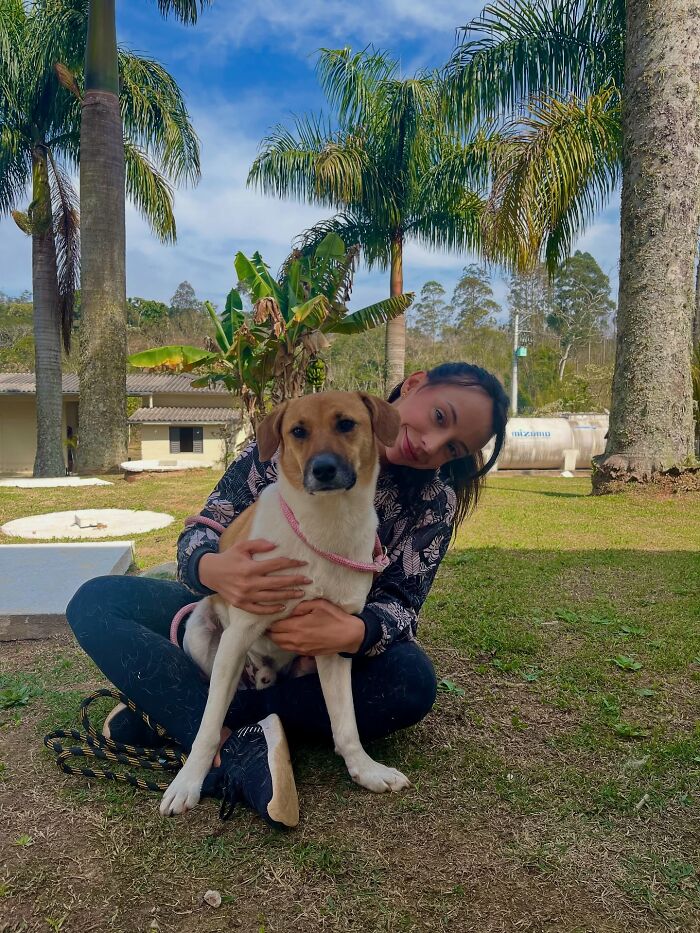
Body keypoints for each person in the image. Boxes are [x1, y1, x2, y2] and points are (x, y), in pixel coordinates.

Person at [66, 363, 509, 828]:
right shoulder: (281, 443)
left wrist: (356, 630)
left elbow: (403, 605)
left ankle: (186, 714)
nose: (431, 444)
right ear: (415, 384)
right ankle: (228, 734)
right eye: (440, 417)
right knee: (97, 602)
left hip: (311, 658)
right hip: (228, 617)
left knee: (412, 679)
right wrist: (215, 568)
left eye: (454, 447)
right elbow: (202, 529)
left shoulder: (432, 503)